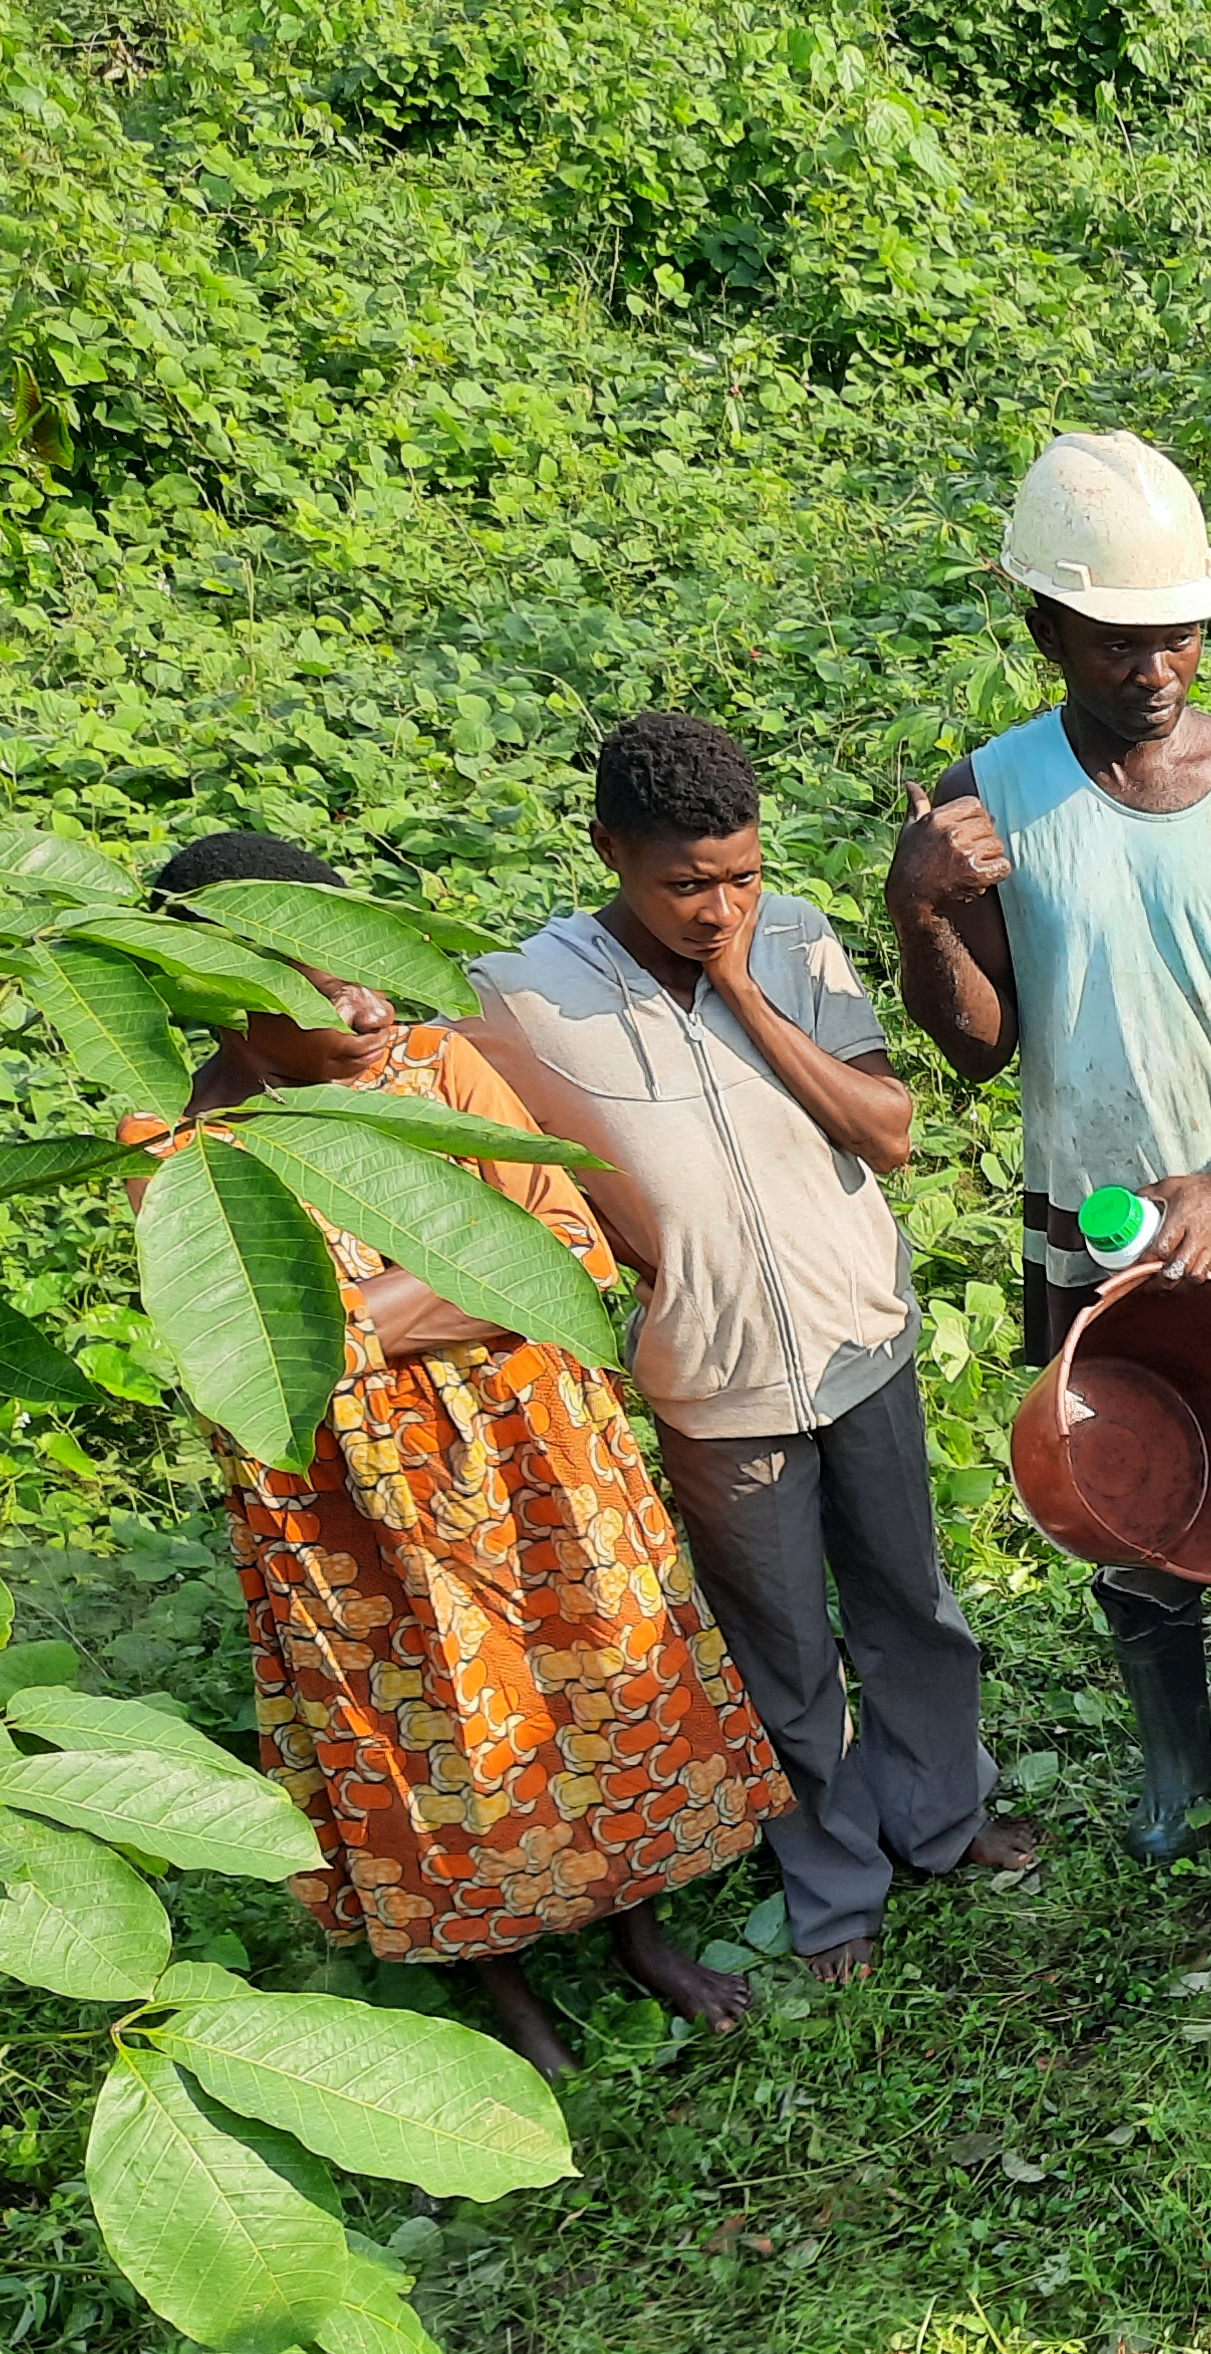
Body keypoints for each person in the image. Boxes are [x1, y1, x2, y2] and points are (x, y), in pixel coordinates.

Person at [136, 833, 788, 2079]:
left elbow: (566, 1264)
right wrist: (456, 1275)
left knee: (592, 1689)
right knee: (429, 1731)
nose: (371, 1002)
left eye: (361, 968)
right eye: (324, 990)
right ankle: (515, 2005)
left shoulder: (440, 1070)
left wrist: (347, 1322)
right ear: (228, 1011)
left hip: (537, 1458)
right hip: (350, 1512)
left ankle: (638, 1934)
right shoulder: (178, 1153)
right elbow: (238, 1359)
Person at [458, 713, 1035, 1989]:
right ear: (610, 851)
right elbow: (497, 1167)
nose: (719, 906)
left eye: (741, 876)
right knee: (779, 1644)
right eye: (684, 886)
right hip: (713, 1379)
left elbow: (886, 1131)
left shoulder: (795, 939)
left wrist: (744, 994)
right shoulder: (522, 999)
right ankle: (835, 1887)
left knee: (912, 1606)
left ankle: (943, 1816)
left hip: (860, 1331)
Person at [883, 432, 1211, 1853]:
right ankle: (1176, 1760)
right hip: (1089, 1213)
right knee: (1126, 1481)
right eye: (1117, 645)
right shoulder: (997, 795)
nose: (1155, 671)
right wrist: (921, 914)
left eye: (1179, 640)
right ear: (1047, 632)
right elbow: (980, 1045)